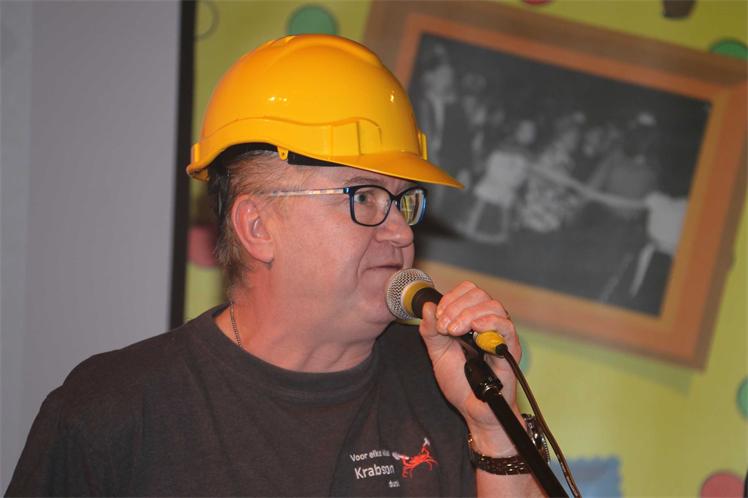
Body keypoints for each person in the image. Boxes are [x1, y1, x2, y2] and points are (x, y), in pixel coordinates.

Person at [6, 35, 543, 497]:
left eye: (402, 201)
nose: (402, 232)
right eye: (364, 196)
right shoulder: (114, 412)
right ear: (258, 227)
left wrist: (494, 429)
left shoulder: (452, 387)